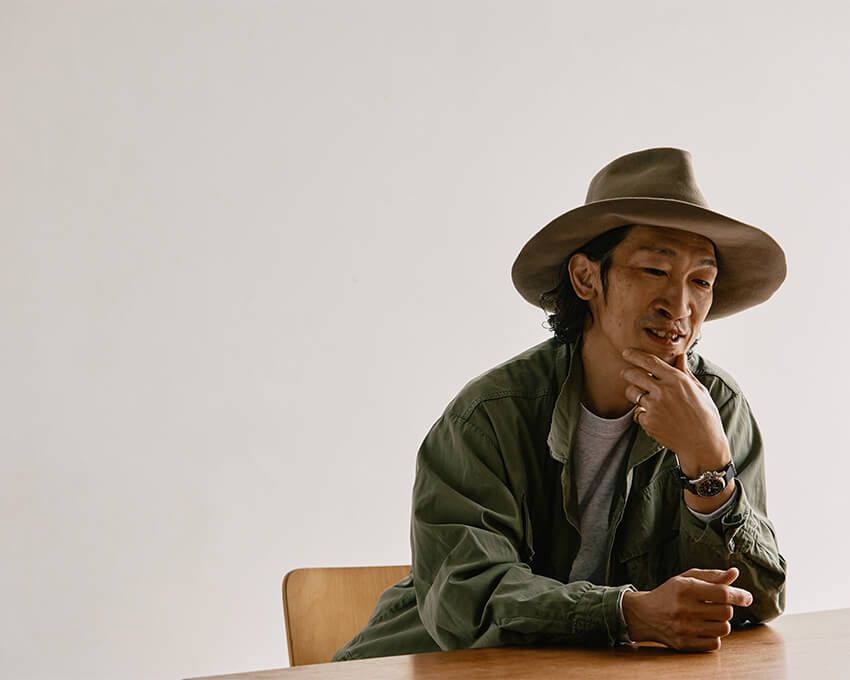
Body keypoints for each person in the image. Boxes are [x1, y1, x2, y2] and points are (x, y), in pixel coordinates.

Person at [332, 147, 787, 660]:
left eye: (700, 281)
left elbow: (758, 600)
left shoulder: (717, 406)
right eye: (654, 270)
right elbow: (467, 598)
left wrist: (709, 469)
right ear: (586, 278)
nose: (679, 306)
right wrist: (626, 613)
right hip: (425, 665)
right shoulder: (490, 415)